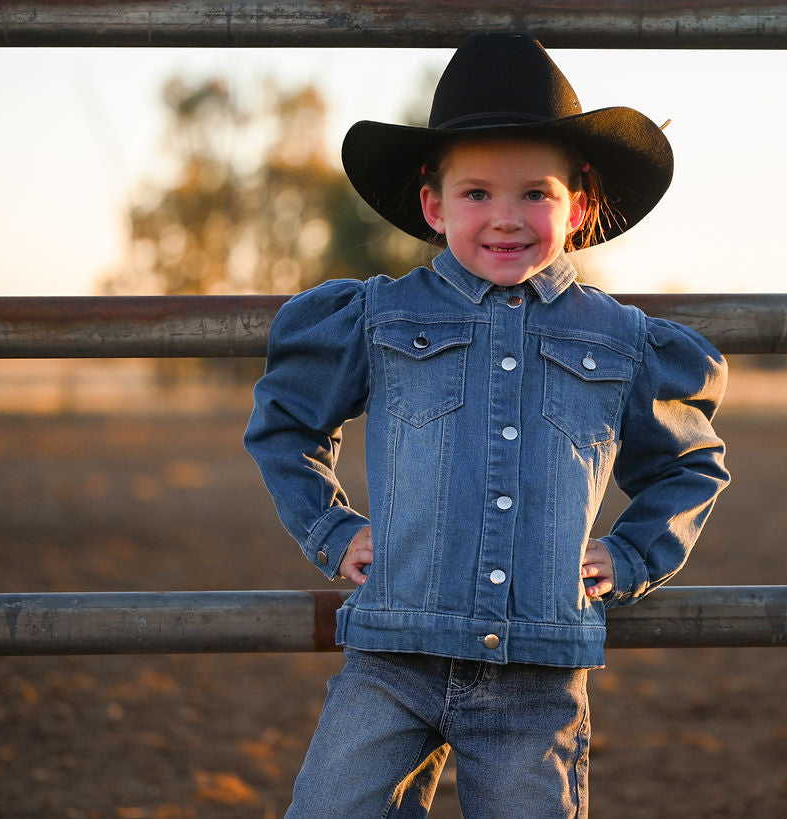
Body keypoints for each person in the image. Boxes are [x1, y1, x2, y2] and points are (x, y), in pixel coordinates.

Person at [245, 31, 730, 818]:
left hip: (535, 680)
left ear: (579, 202)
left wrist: (636, 549)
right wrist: (332, 531)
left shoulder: (620, 340)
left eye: (534, 193)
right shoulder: (381, 316)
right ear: (434, 206)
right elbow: (286, 423)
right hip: (393, 659)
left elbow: (688, 463)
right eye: (477, 194)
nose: (506, 219)